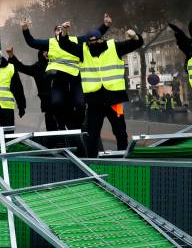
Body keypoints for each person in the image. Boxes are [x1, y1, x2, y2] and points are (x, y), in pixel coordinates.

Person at [59, 29, 144, 157]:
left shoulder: (114, 47)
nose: (93, 44)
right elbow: (65, 45)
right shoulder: (83, 50)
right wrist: (64, 33)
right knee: (92, 133)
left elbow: (135, 44)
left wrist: (135, 37)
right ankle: (92, 161)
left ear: (101, 39)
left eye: (95, 40)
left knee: (120, 131)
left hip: (115, 101)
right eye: (90, 42)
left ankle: (124, 158)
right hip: (94, 102)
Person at [21, 15, 110, 133]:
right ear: (54, 33)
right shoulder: (50, 43)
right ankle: (61, 125)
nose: (60, 30)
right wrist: (25, 29)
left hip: (75, 78)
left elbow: (92, 36)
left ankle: (79, 126)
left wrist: (106, 25)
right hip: (59, 78)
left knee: (80, 104)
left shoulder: (74, 40)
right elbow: (32, 42)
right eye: (57, 29)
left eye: (61, 28)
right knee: (56, 103)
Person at [8, 49, 54, 130]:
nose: (47, 53)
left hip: (61, 102)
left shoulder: (57, 65)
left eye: (48, 51)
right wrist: (12, 56)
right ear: (40, 54)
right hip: (47, 103)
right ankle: (54, 141)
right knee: (51, 124)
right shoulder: (37, 67)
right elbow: (22, 68)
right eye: (44, 51)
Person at [0, 49, 27, 128]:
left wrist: (21, 105)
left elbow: (17, 88)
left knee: (8, 135)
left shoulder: (10, 67)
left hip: (6, 107)